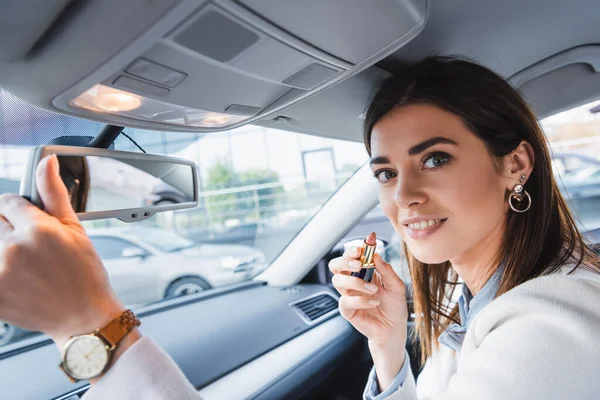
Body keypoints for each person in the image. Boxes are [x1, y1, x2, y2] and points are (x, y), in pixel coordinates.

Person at [0, 56, 597, 400]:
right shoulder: (481, 303)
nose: (404, 195)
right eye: (385, 172)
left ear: (515, 164)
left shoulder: (547, 326)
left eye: (435, 158)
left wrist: (90, 328)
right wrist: (389, 348)